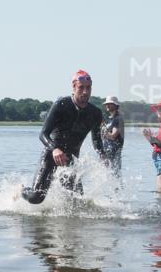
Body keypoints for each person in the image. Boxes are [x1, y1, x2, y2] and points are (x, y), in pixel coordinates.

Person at [21, 70, 105, 205]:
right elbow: (43, 134)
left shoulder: (95, 113)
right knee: (36, 198)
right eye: (81, 87)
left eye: (88, 88)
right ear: (73, 87)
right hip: (51, 155)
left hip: (70, 160)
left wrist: (104, 157)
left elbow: (97, 141)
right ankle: (20, 191)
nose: (85, 92)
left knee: (78, 203)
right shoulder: (61, 104)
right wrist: (55, 149)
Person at [101, 96, 124, 173]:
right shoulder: (109, 118)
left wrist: (103, 131)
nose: (107, 105)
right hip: (107, 151)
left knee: (115, 176)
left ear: (115, 105)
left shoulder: (118, 118)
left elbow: (113, 136)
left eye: (110, 104)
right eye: (106, 104)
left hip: (114, 153)